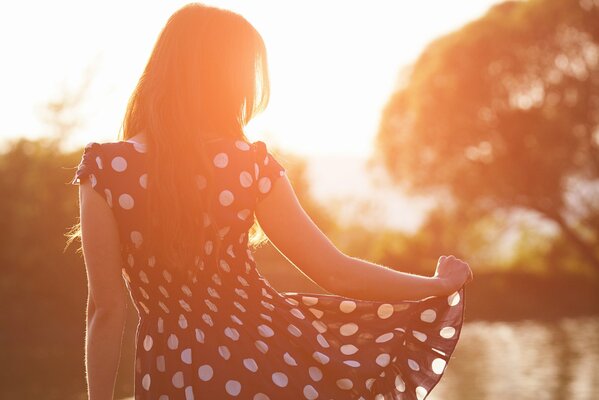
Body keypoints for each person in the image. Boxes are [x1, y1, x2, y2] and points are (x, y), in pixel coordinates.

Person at [69, 3, 473, 400]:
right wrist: (435, 285)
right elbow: (338, 273)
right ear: (229, 81)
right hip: (275, 357)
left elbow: (105, 310)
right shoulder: (249, 164)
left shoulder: (105, 169)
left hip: (173, 369)